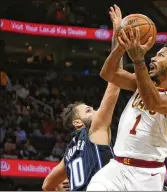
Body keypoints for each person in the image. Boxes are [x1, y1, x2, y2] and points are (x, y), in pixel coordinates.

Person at [86, 5, 167, 191]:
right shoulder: (140, 83)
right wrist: (120, 44)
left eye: (161, 56)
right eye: (153, 55)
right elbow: (108, 73)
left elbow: (153, 102)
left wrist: (139, 61)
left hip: (147, 175)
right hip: (116, 167)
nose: (153, 59)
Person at [42, 5, 123, 191]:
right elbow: (115, 82)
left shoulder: (68, 155)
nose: (95, 111)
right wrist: (117, 33)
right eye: (88, 110)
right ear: (78, 124)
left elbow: (47, 185)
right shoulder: (95, 129)